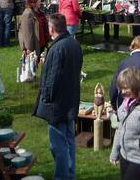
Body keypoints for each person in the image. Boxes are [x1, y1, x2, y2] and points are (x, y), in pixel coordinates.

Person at [34, 14, 83, 180]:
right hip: (70, 99)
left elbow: (52, 78)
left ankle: (62, 177)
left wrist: (46, 99)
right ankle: (70, 175)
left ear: (51, 29)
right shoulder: (74, 43)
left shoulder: (57, 48)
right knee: (69, 140)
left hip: (57, 104)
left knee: (58, 145)